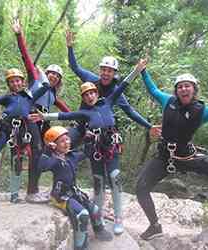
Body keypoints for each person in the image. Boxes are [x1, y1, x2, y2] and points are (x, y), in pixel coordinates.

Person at [30, 61, 149, 235]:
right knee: (99, 181)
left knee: (115, 179)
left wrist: (136, 71)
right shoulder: (85, 113)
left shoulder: (108, 102)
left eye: (92, 93)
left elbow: (123, 85)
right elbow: (65, 115)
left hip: (111, 146)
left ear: (96, 93)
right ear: (84, 98)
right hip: (95, 149)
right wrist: (44, 115)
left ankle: (118, 219)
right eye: (86, 95)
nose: (89, 96)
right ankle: (98, 215)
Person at [136, 60, 208, 240]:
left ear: (194, 89)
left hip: (187, 156)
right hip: (165, 156)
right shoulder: (168, 101)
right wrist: (143, 71)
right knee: (141, 188)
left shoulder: (203, 111)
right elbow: (153, 90)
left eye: (187, 86)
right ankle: (154, 226)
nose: (183, 89)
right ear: (176, 90)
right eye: (180, 86)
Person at [12, 19, 71, 203]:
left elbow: (65, 109)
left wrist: (77, 120)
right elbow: (27, 58)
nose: (53, 76)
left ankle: (55, 188)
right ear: (46, 74)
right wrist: (19, 35)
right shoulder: (36, 80)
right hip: (30, 117)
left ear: (59, 80)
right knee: (36, 151)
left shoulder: (53, 95)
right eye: (51, 73)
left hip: (43, 122)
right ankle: (31, 191)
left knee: (54, 151)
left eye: (57, 76)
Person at [65, 29, 154, 147]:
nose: (106, 73)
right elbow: (75, 67)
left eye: (109, 71)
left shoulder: (115, 92)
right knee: (64, 145)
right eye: (103, 70)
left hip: (100, 132)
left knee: (98, 154)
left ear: (114, 73)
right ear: (99, 70)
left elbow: (130, 112)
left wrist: (149, 126)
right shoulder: (91, 79)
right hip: (80, 126)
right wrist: (70, 47)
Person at [39, 126, 113, 250]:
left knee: (94, 209)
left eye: (67, 139)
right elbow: (42, 167)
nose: (66, 143)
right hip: (61, 197)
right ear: (53, 145)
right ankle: (80, 246)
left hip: (73, 193)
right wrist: (46, 152)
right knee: (82, 215)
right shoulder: (54, 160)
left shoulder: (71, 156)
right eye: (62, 141)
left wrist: (89, 141)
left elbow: (86, 153)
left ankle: (99, 230)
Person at [0, 68, 52, 202]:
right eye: (11, 82)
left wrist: (39, 71)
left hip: (20, 130)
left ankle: (14, 196)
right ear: (9, 84)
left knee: (16, 160)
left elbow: (45, 86)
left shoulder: (30, 96)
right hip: (4, 127)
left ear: (22, 82)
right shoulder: (7, 97)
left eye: (17, 81)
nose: (15, 84)